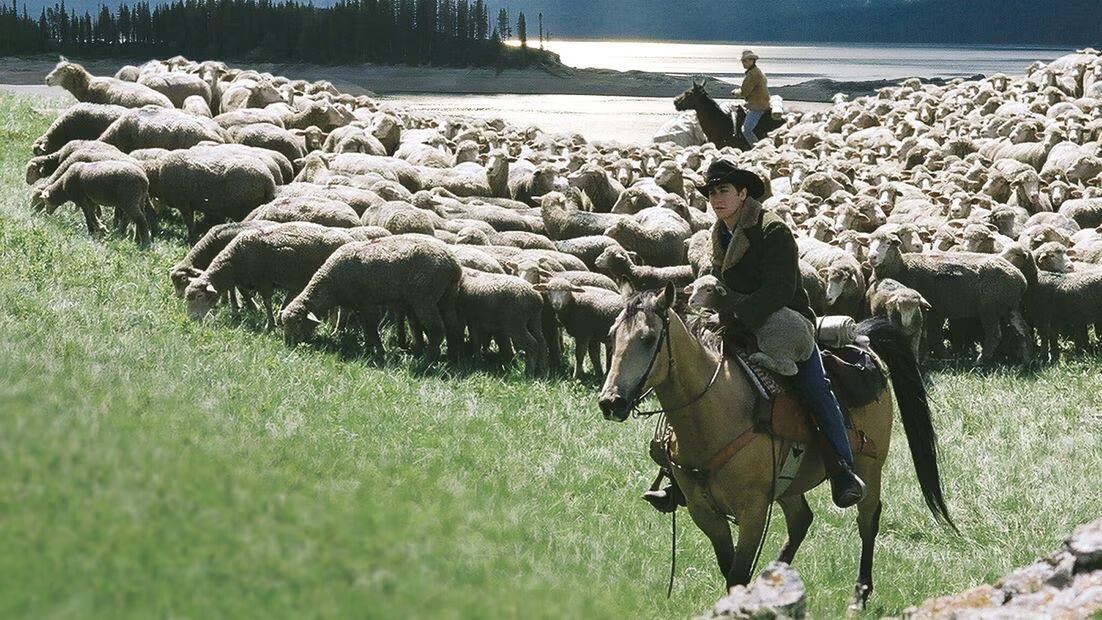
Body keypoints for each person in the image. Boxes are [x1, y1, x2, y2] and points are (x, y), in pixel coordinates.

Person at [642, 156, 866, 513]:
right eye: (712, 192)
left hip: (783, 323)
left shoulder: (772, 230)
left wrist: (736, 313)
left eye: (724, 190)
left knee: (815, 389)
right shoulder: (718, 232)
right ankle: (677, 474)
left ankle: (842, 470)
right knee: (691, 379)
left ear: (743, 193)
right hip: (733, 320)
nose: (717, 199)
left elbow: (780, 288)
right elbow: (717, 278)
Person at [736, 49, 770, 146]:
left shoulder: (752, 74)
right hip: (762, 102)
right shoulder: (758, 71)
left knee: (746, 130)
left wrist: (735, 92)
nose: (743, 63)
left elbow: (744, 92)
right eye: (743, 61)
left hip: (757, 106)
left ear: (752, 61)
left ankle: (758, 148)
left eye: (745, 61)